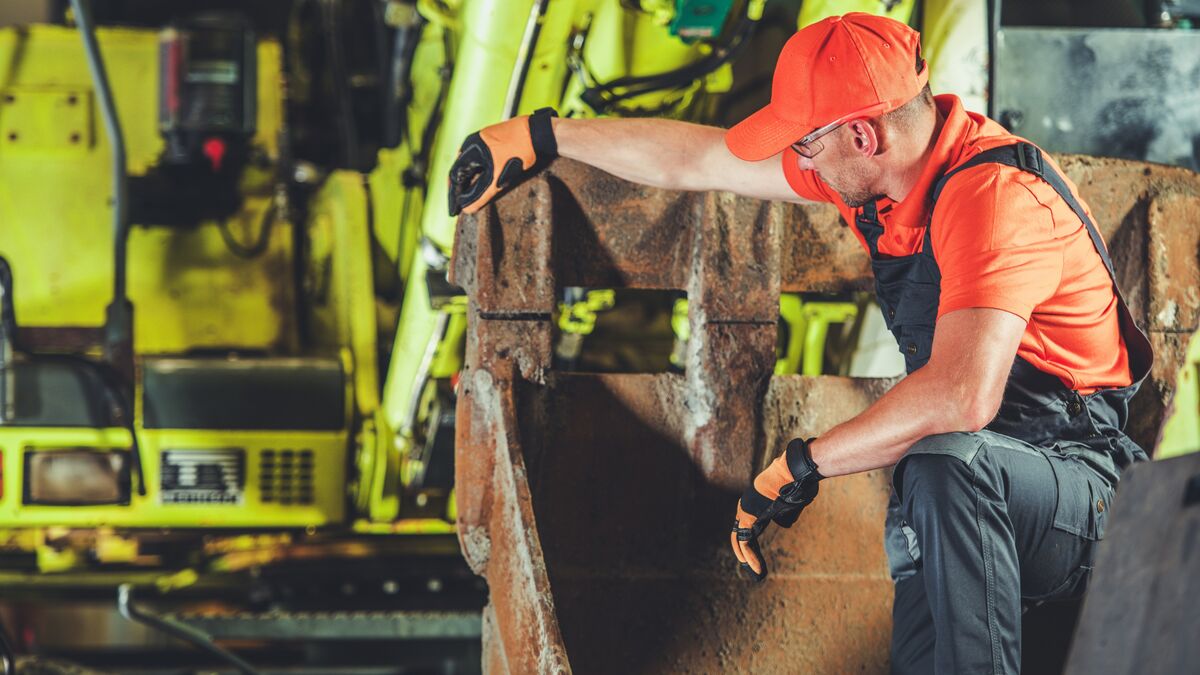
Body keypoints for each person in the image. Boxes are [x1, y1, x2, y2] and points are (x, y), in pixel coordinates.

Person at [447, 12, 1152, 674]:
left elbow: (963, 395)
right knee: (928, 489)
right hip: (975, 486)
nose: (799, 159)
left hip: (1086, 496)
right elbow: (700, 160)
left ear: (864, 136)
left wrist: (799, 464)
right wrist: (546, 134)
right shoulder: (881, 177)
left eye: (806, 140)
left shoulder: (993, 198)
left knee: (942, 468)